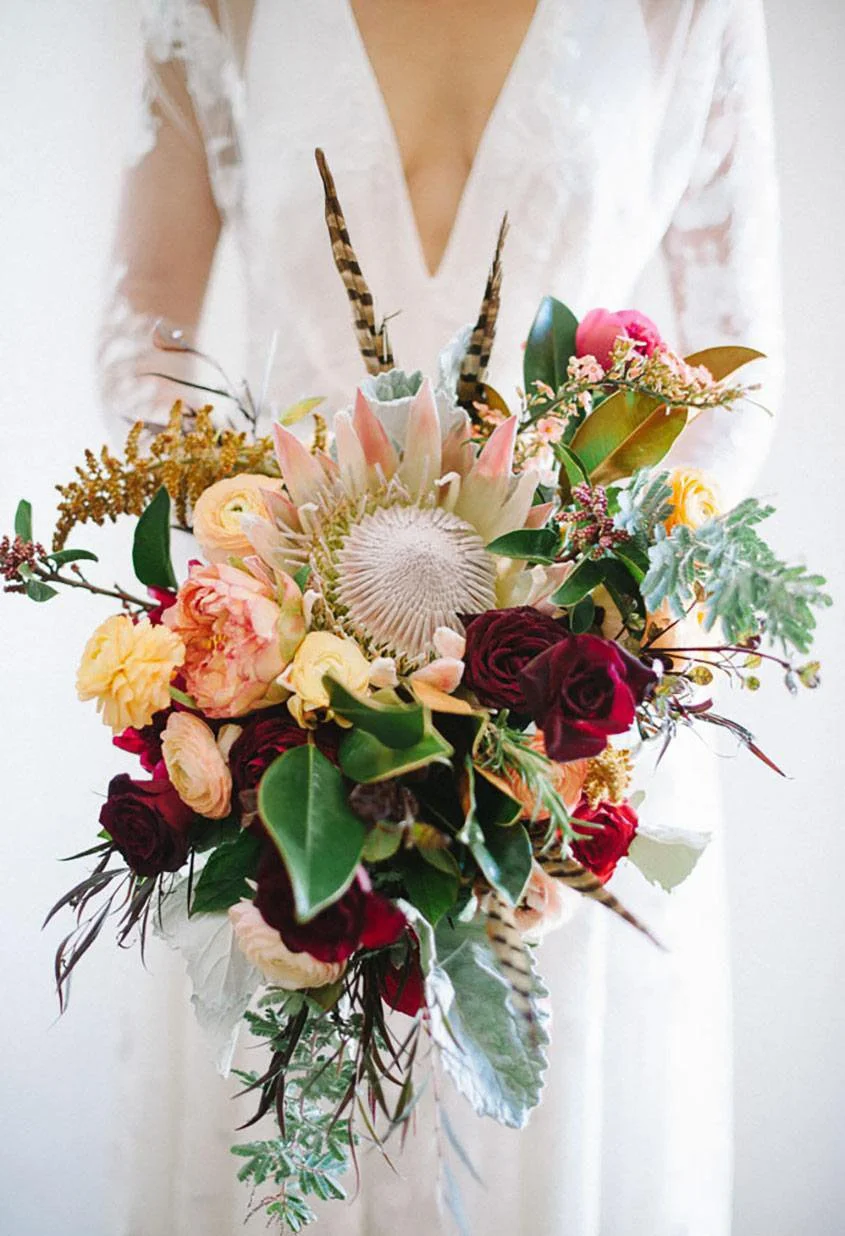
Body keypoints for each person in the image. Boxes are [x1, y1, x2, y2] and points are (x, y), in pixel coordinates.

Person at [98, 2, 781, 1233]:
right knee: (281, 1128)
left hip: (567, 717)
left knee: (547, 1143)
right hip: (277, 697)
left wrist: (589, 596)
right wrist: (262, 574)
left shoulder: (687, 13)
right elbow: (143, 322)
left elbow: (739, 368)